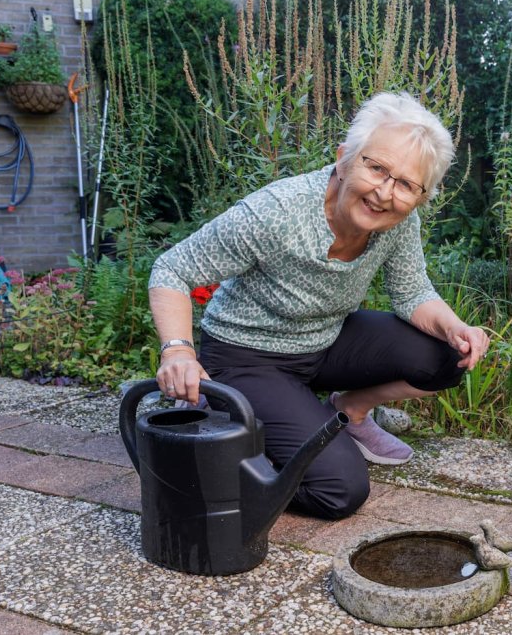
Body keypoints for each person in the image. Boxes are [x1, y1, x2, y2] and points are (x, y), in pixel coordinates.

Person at [148, 91, 489, 520]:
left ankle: (348, 411)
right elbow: (172, 269)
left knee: (445, 355)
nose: (385, 193)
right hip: (248, 358)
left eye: (405, 185)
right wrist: (178, 350)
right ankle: (217, 425)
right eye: (377, 168)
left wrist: (457, 327)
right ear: (345, 158)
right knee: (339, 490)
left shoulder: (400, 223)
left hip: (325, 340)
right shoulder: (278, 212)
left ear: (420, 197)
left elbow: (412, 293)